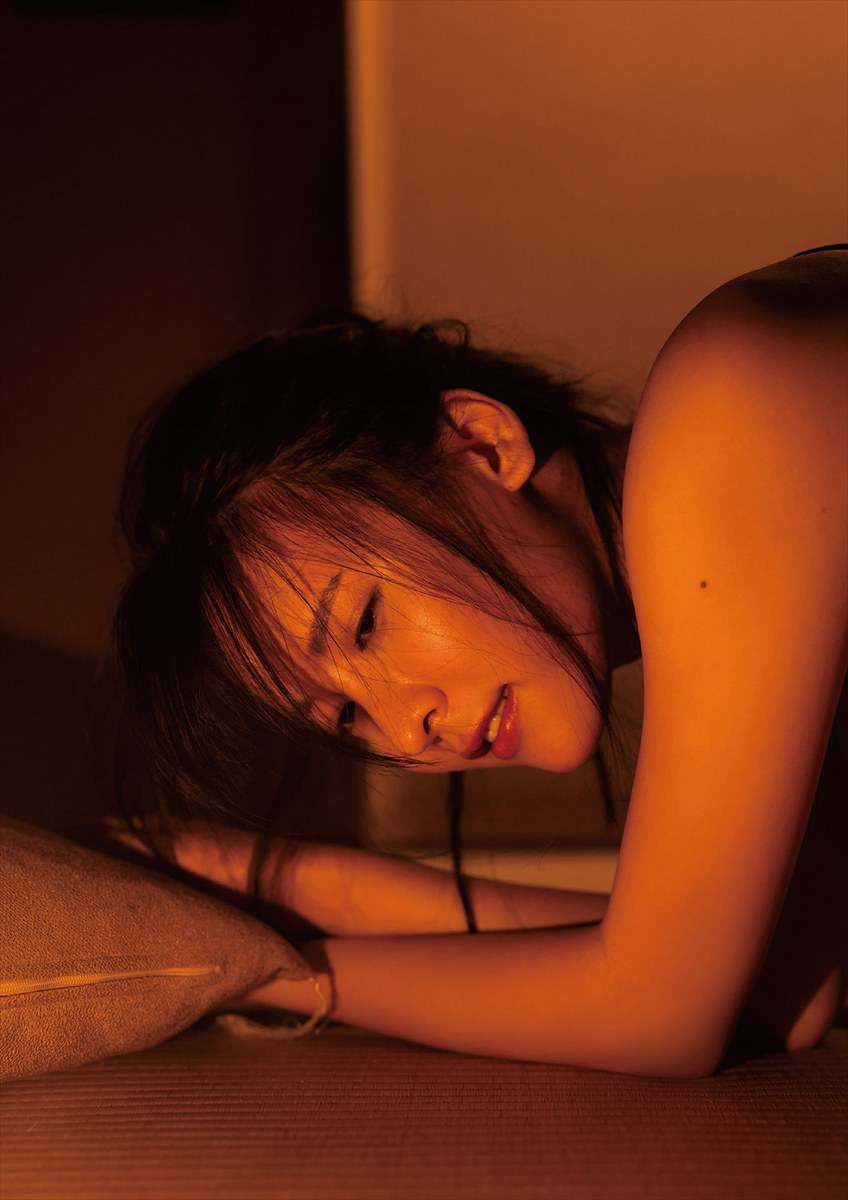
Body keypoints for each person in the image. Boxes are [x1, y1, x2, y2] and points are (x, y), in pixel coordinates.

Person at [113, 247, 846, 1076]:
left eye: (365, 623)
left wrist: (231, 967)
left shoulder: (733, 396)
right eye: (347, 716)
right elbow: (776, 989)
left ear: (483, 444)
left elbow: (661, 1009)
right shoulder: (782, 566)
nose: (406, 730)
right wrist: (280, 886)